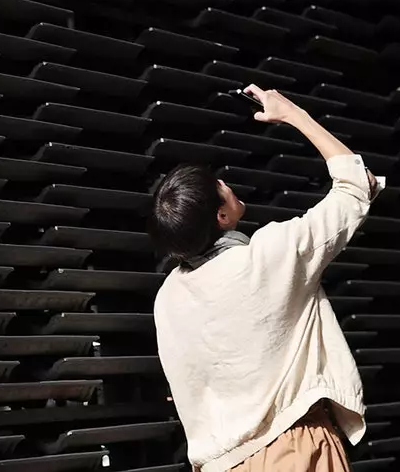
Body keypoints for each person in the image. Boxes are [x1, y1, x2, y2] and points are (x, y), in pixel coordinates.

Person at [151, 86, 383, 472]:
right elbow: (358, 184)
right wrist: (293, 114)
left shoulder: (169, 296)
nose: (225, 183)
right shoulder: (269, 255)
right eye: (218, 186)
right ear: (221, 217)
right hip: (291, 447)